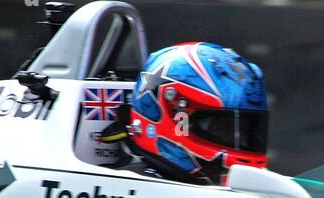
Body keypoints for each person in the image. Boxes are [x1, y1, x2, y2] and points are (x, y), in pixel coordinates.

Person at [101, 41, 268, 185]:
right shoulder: (125, 190)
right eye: (223, 129)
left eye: (246, 131)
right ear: (177, 118)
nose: (243, 141)